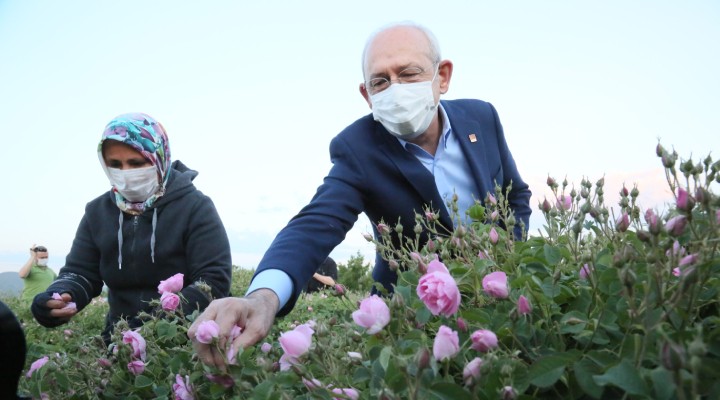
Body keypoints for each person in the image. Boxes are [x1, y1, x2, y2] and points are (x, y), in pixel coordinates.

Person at [189, 21, 532, 367]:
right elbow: (315, 223)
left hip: (498, 300)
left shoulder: (481, 117)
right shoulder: (358, 148)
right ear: (367, 95)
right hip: (411, 320)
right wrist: (263, 297)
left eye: (409, 74)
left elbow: (515, 194)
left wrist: (506, 258)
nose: (395, 90)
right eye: (380, 81)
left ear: (441, 77)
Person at [31, 112, 232, 341]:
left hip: (186, 337)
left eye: (136, 163)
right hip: (120, 341)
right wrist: (60, 297)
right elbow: (80, 272)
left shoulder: (194, 207)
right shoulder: (97, 212)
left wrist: (154, 324)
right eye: (115, 164)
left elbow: (213, 280)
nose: (126, 173)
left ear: (159, 158)